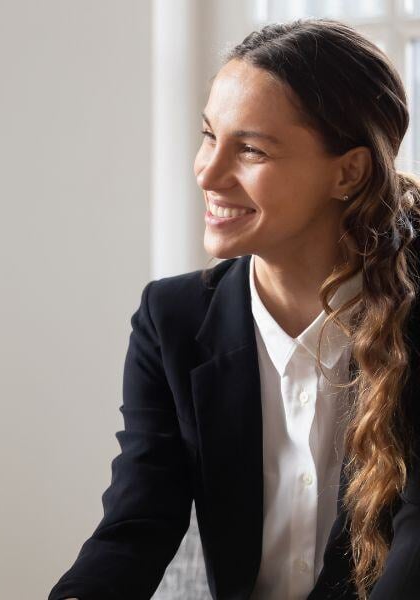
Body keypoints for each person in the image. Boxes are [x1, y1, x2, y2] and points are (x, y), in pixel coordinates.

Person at [51, 19, 420, 599]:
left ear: (348, 171)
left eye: (250, 149)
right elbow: (138, 523)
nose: (208, 172)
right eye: (208, 136)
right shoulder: (170, 320)